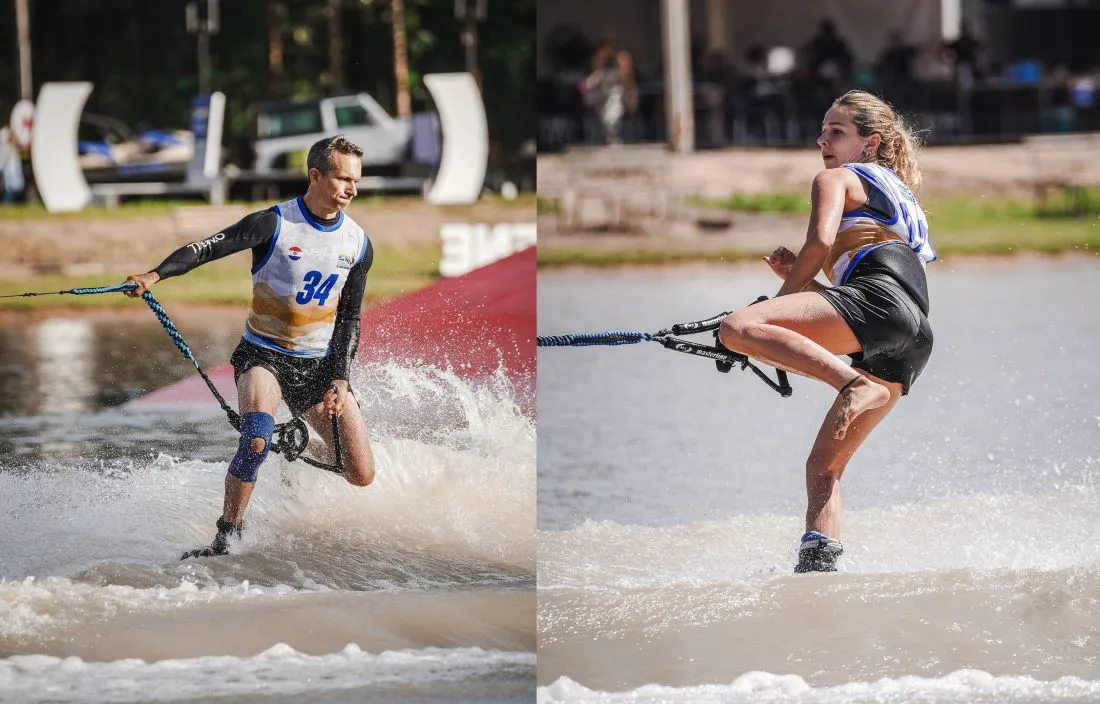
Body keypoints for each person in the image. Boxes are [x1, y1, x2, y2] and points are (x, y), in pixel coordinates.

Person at [124, 135, 378, 557]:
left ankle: (293, 445)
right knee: (256, 437)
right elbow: (207, 248)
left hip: (318, 367)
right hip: (264, 356)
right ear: (316, 175)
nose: (351, 188)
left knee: (360, 473)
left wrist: (340, 377)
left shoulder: (358, 243)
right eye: (343, 178)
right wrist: (154, 275)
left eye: (356, 180)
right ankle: (228, 534)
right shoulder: (272, 223)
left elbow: (350, 318)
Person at [717, 90, 935, 573]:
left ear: (870, 142)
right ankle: (817, 567)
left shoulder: (835, 177)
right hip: (912, 334)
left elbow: (820, 240)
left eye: (836, 132)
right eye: (822, 130)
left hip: (878, 304)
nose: (822, 140)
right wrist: (800, 283)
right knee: (824, 469)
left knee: (737, 327)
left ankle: (852, 384)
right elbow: (873, 299)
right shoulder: (897, 192)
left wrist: (771, 310)